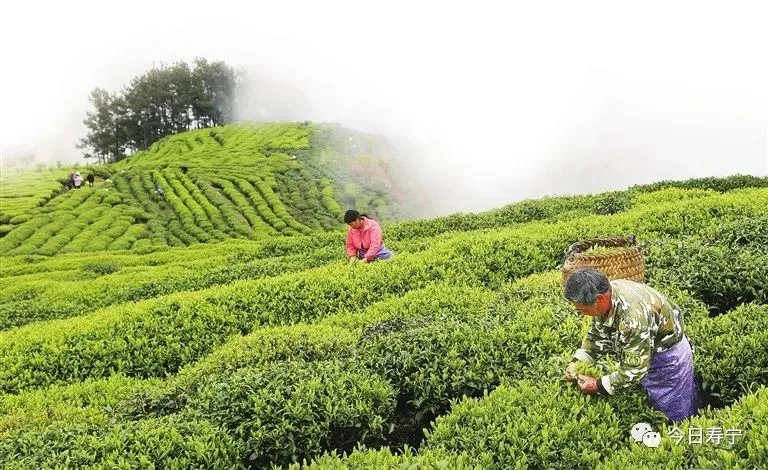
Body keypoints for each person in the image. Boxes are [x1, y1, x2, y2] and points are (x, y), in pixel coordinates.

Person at [563, 268, 699, 423]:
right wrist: (577, 362)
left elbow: (634, 370)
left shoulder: (632, 319)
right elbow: (596, 336)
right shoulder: (607, 294)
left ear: (599, 299)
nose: (578, 311)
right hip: (646, 350)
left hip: (667, 358)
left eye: (580, 308)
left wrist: (598, 385)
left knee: (672, 412)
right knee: (651, 405)